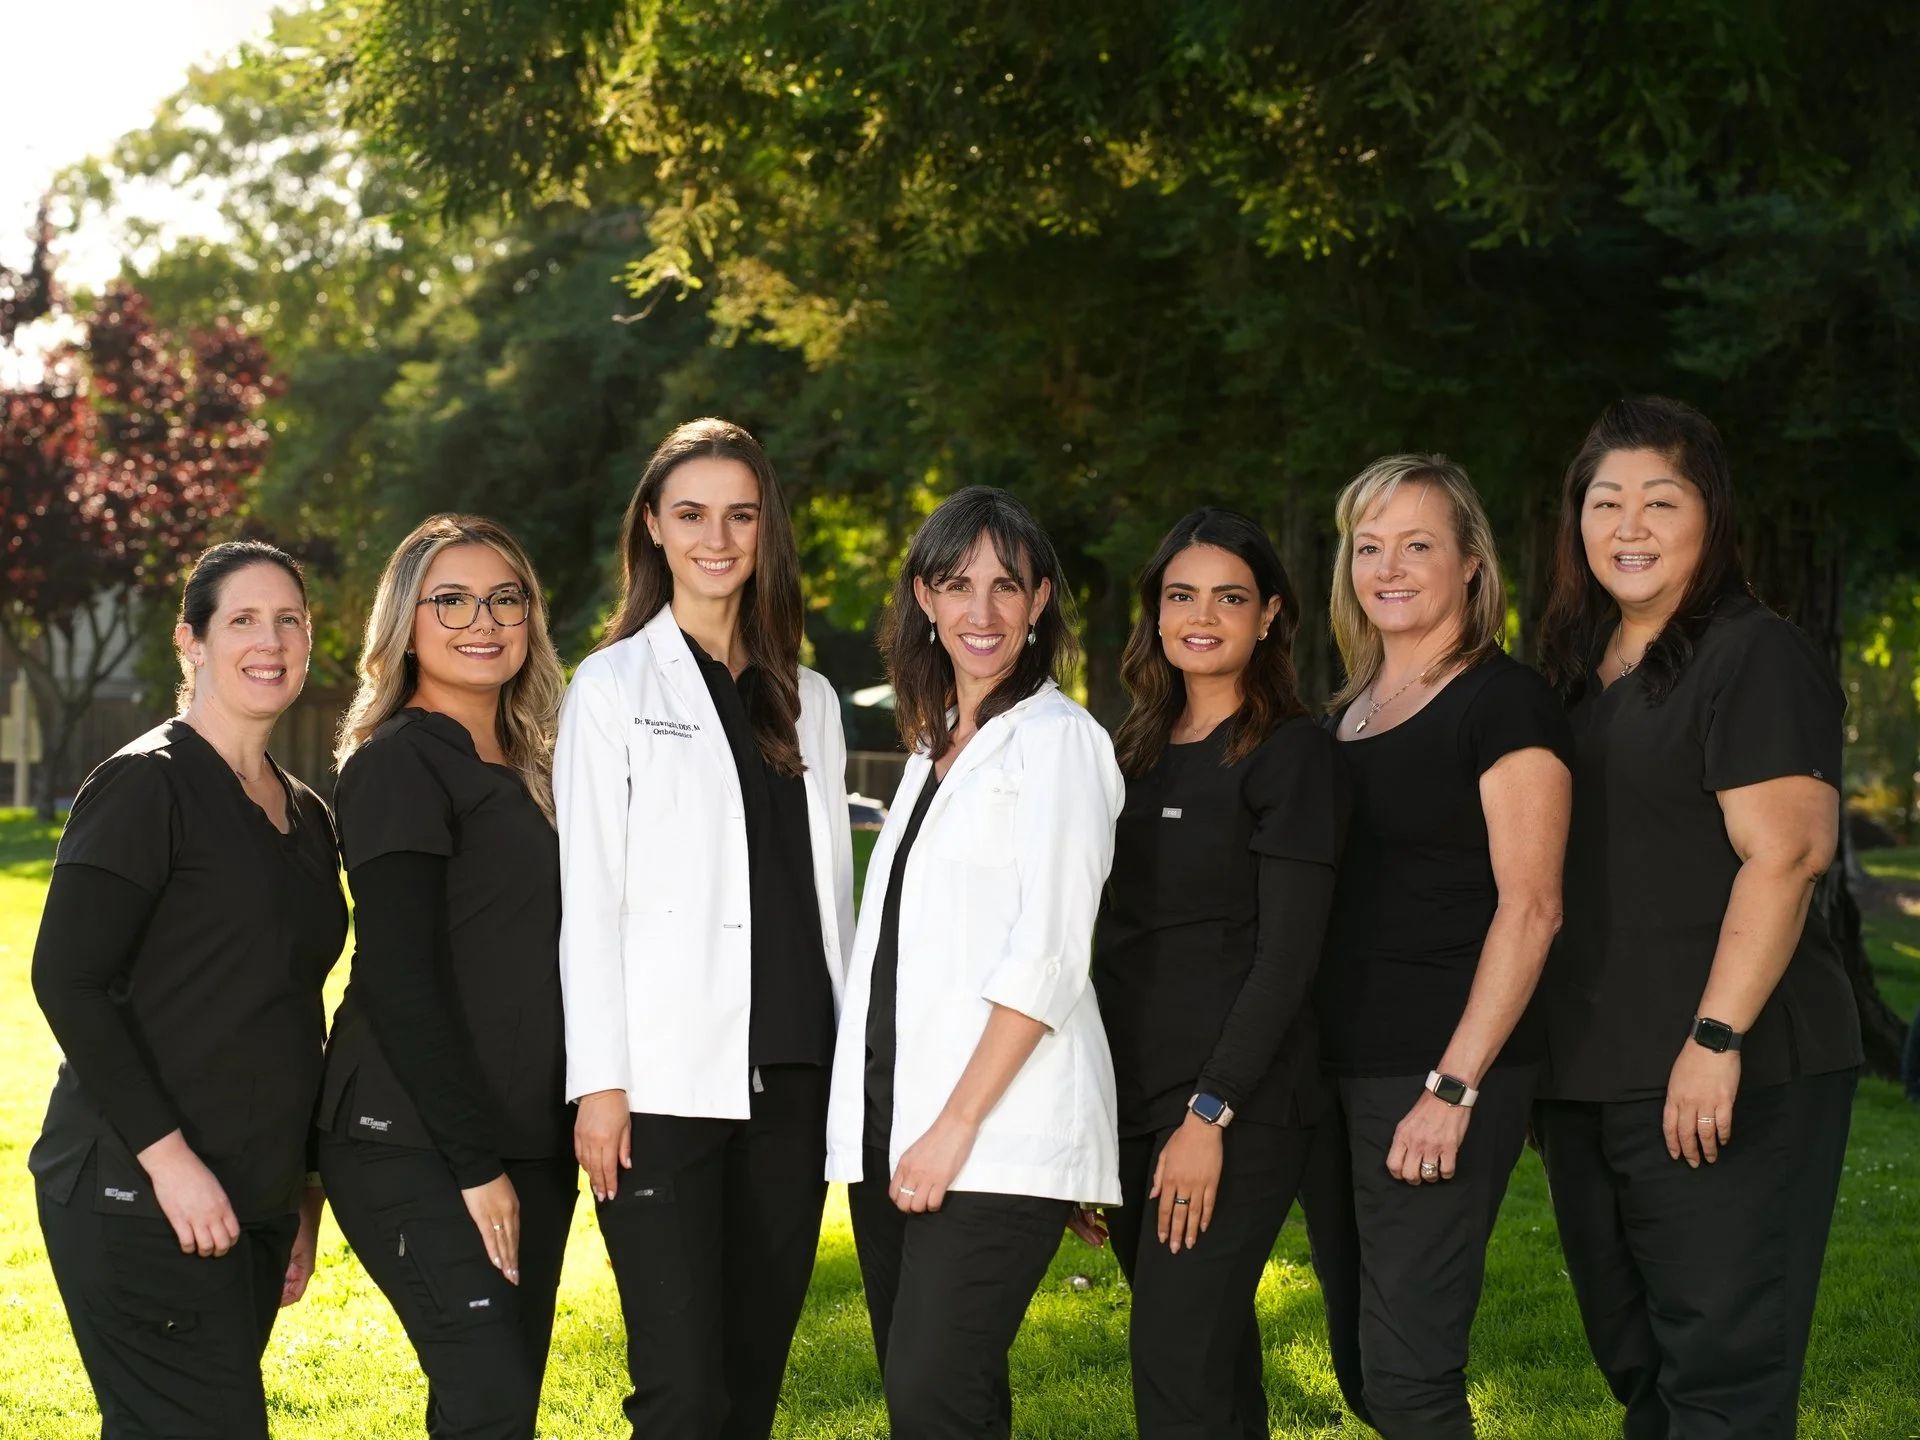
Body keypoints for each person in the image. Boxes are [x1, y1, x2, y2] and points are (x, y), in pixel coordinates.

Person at [1532, 397, 1862, 1439]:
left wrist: (1715, 1038)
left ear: (1710, 518)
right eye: (1605, 501)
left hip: (1726, 1074)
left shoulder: (1752, 654)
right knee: (1643, 1374)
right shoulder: (1580, 672)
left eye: (1659, 502)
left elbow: (1791, 851)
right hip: (1594, 1077)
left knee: (1722, 1382)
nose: (1627, 525)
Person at [557, 418, 855, 1440]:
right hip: (663, 1089)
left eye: (741, 513)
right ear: (653, 527)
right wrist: (600, 1081)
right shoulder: (612, 687)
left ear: (767, 527)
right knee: (682, 1393)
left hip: (795, 1081)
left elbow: (830, 900)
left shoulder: (808, 699)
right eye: (690, 513)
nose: (716, 537)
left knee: (750, 1385)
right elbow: (587, 899)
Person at [824, 485, 1125, 1440]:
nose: (982, 612)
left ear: (1041, 602)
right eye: (958, 585)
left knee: (931, 1395)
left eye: (1007, 586)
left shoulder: (1063, 743)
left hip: (986, 1133)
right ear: (924, 598)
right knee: (944, 1401)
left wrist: (955, 1128)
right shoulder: (931, 744)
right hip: (889, 1130)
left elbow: (1049, 955)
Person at [29, 541, 348, 1438]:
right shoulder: (144, 784)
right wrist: (171, 1167)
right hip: (137, 1191)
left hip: (251, 1196)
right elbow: (68, 981)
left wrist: (301, 1199)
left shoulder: (307, 814)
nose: (270, 639)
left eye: (290, 619)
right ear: (191, 642)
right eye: (242, 618)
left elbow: (295, 1011)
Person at [1298, 455, 1572, 1438]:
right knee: (1366, 1368)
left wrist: (1453, 1087)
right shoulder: (1345, 715)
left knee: (1412, 1377)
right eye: (1369, 546)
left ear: (1468, 563)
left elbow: (1533, 906)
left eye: (1418, 544)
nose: (1389, 567)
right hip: (1335, 1074)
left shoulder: (1506, 702)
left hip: (1438, 1072)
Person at [1092, 508, 1349, 1439]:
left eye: (1230, 597)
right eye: (1182, 595)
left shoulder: (1292, 754)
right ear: (1157, 614)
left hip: (1231, 1104)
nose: (1204, 615)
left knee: (1173, 1361)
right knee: (1209, 1364)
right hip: (1126, 1099)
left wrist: (1210, 1113)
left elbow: (1288, 957)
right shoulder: (1126, 755)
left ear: (1270, 614)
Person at [314, 514, 572, 1439]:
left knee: (496, 1406)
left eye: (506, 597)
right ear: (406, 624)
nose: (484, 620)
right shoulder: (397, 766)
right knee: (489, 1397)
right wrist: (474, 1167)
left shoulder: (540, 765)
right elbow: (397, 977)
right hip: (412, 1141)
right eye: (451, 600)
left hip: (531, 1140)